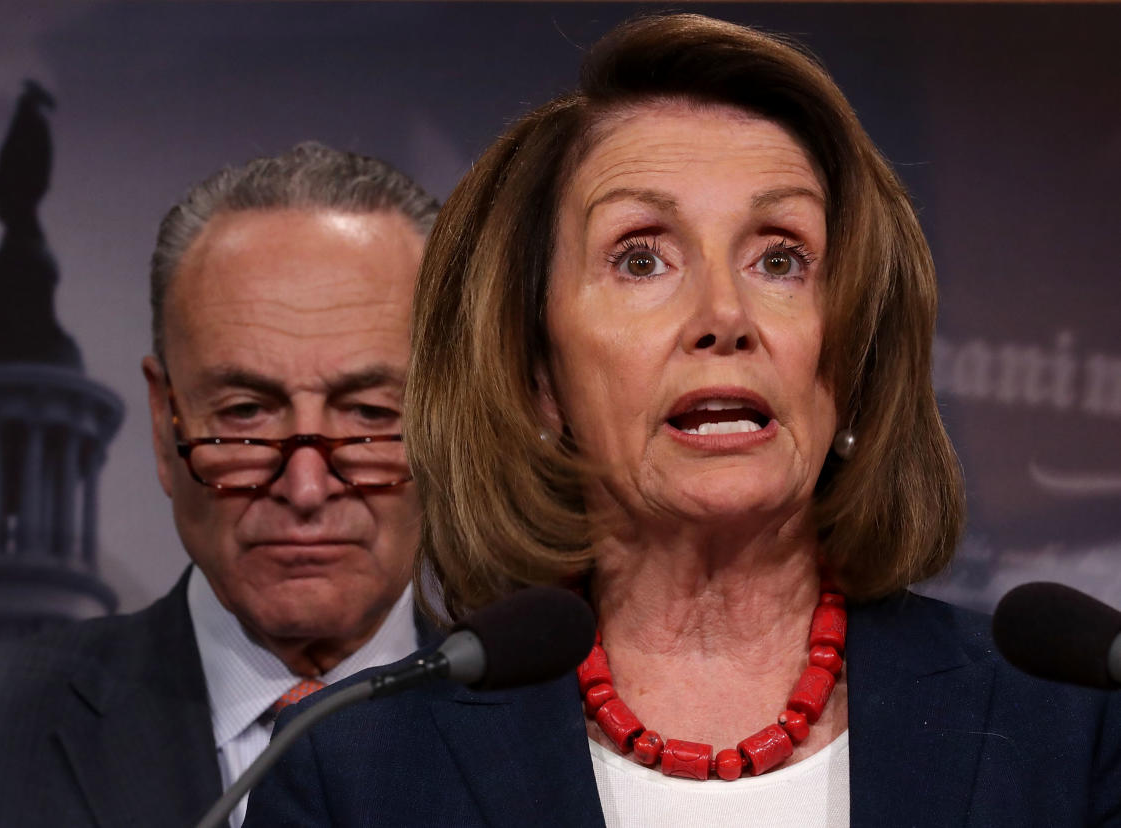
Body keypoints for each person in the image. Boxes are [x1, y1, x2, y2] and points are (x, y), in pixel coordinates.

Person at [242, 16, 1121, 827]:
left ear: (853, 362)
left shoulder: (1067, 730)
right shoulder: (354, 776)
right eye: (641, 257)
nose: (724, 314)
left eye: (781, 258)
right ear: (536, 373)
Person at [0, 142, 438, 828]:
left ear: (451, 421)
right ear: (163, 425)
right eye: (243, 415)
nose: (306, 486)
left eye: (371, 414)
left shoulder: (562, 741)